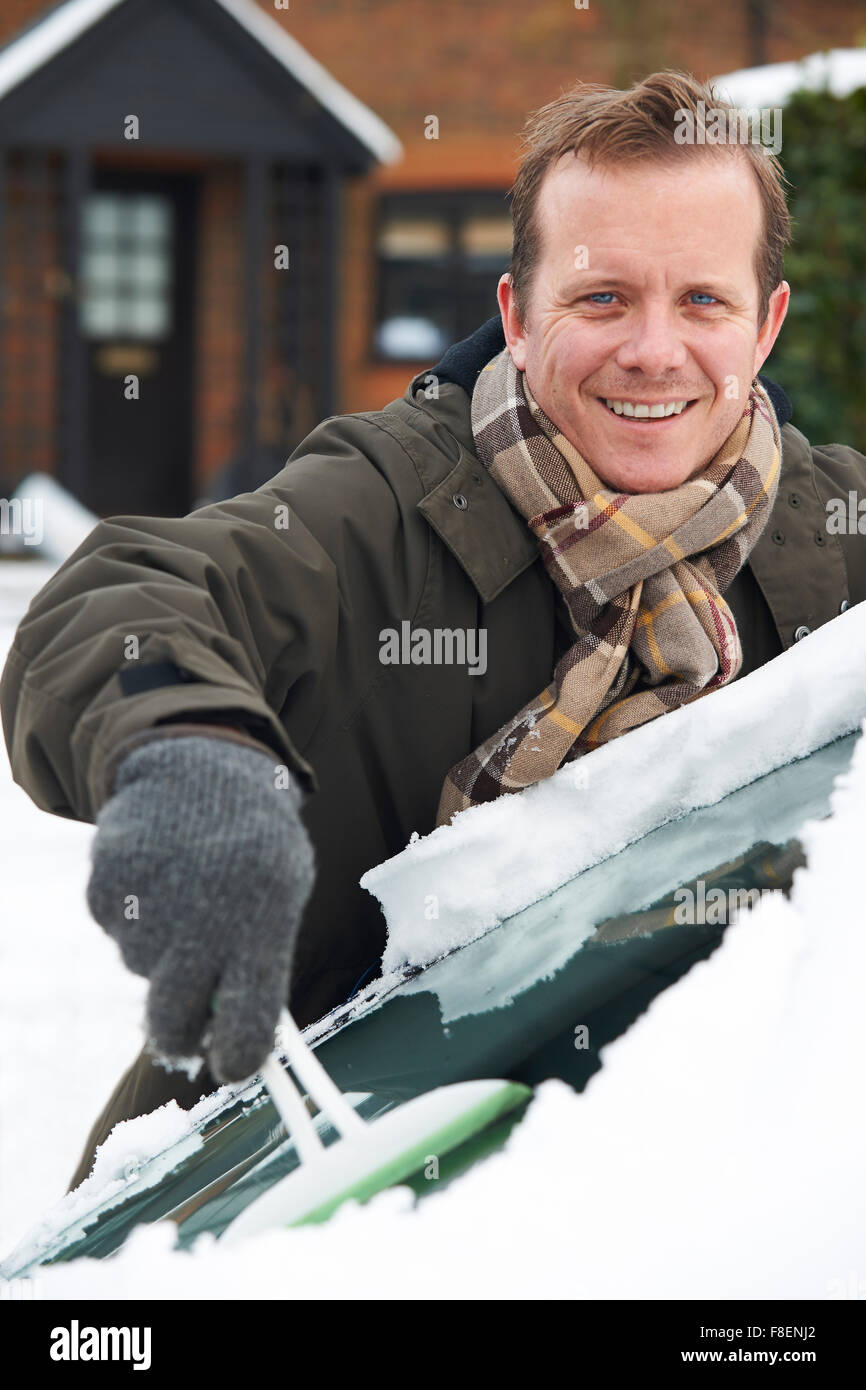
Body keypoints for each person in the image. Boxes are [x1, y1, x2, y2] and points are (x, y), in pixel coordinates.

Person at [2, 71, 864, 1191]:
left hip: (699, 1193)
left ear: (765, 323)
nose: (652, 351)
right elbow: (127, 591)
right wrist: (187, 753)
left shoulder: (833, 543)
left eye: (700, 300)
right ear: (512, 313)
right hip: (303, 1187)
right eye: (600, 299)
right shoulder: (382, 504)